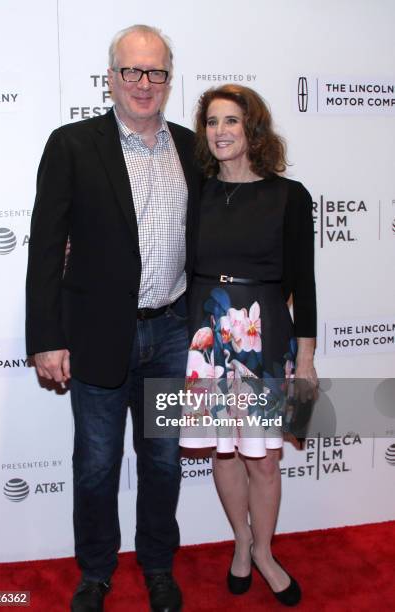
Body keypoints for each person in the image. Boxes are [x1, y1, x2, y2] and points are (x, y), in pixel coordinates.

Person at [25, 24, 200, 612]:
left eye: (156, 73)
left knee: (163, 462)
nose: (143, 84)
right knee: (97, 465)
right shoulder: (72, 144)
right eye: (132, 71)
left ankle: (156, 567)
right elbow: (46, 247)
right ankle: (97, 572)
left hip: (173, 332)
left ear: (169, 81)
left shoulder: (191, 148)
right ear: (111, 77)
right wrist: (46, 337)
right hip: (99, 334)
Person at [180, 84, 317, 606]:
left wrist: (305, 356)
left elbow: (303, 283)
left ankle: (264, 551)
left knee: (263, 459)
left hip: (265, 336)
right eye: (212, 122)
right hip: (207, 336)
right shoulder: (197, 192)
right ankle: (240, 542)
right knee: (225, 450)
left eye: (231, 121)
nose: (220, 132)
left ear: (252, 128)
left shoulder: (290, 196)